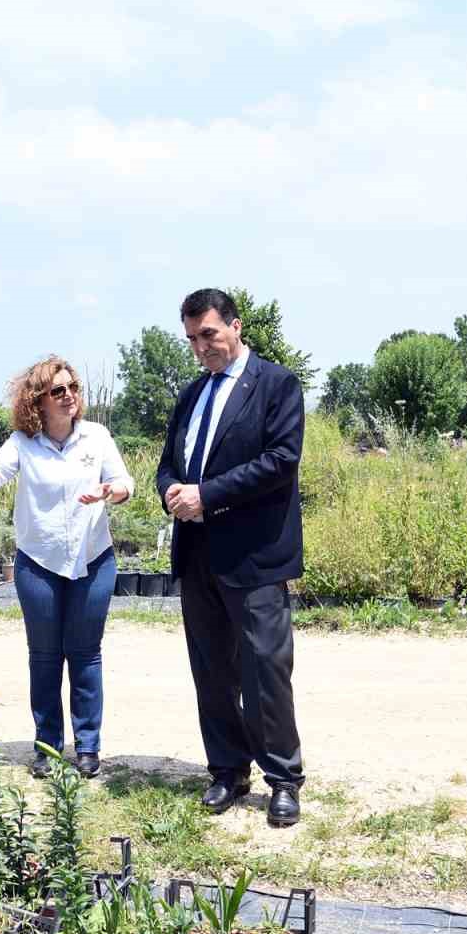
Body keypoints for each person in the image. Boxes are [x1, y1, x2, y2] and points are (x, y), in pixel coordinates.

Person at [156, 289, 306, 826]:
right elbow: (169, 463)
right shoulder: (192, 394)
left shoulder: (276, 385)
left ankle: (283, 778)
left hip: (255, 556)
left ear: (236, 327)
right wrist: (172, 489)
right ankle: (227, 771)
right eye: (193, 339)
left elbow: (281, 460)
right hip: (197, 554)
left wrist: (208, 495)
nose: (201, 347)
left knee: (266, 669)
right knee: (213, 671)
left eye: (209, 335)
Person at [0, 355, 133, 780]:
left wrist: (111, 491)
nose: (69, 396)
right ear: (38, 401)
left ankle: (88, 747)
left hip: (92, 560)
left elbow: (125, 483)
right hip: (38, 564)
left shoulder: (96, 437)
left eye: (73, 388)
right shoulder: (23, 442)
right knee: (44, 657)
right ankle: (46, 745)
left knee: (85, 655)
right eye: (58, 390)